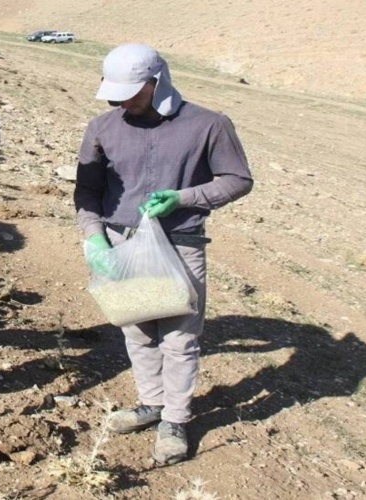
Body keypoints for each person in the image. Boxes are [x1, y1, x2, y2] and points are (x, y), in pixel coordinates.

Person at [75, 43, 253, 465]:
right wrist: (94, 237)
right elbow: (87, 190)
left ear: (158, 82)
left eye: (131, 92)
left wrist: (186, 197)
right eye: (114, 92)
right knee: (137, 329)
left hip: (181, 244)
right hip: (122, 243)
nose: (120, 101)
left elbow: (238, 179)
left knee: (178, 337)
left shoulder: (210, 125)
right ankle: (151, 403)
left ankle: (175, 419)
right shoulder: (102, 127)